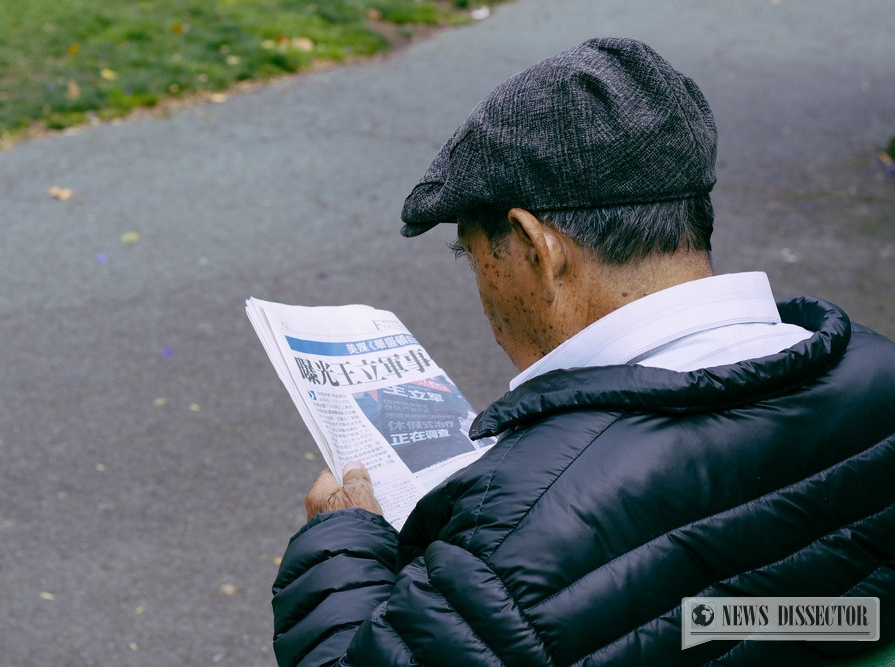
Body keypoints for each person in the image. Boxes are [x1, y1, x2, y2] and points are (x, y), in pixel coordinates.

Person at [270, 37, 895, 666]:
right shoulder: (879, 375)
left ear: (536, 247)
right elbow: (795, 618)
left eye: (472, 254)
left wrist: (342, 544)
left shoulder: (514, 539)